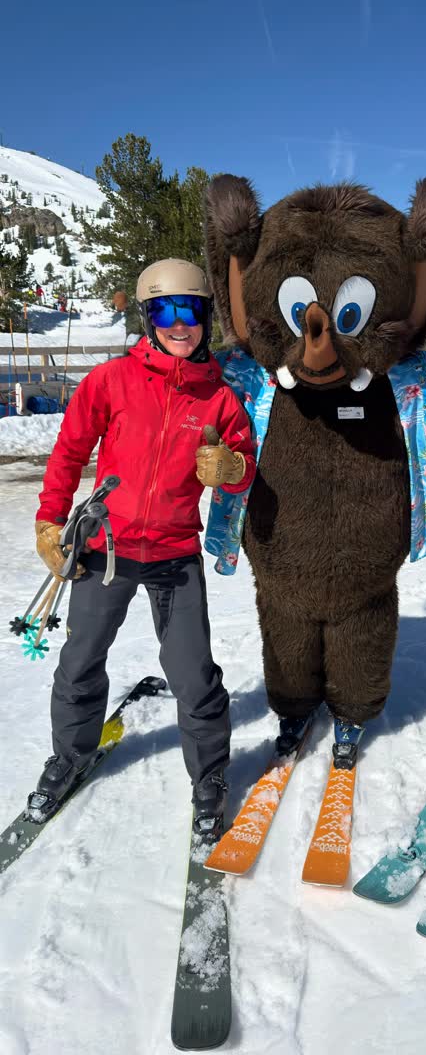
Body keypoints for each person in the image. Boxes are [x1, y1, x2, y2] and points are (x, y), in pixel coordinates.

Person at [31, 259, 256, 833]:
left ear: (205, 316)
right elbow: (68, 453)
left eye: (190, 310)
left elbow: (245, 467)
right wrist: (50, 521)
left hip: (175, 555)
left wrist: (230, 467)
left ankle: (208, 777)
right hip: (105, 549)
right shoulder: (111, 380)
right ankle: (70, 756)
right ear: (147, 316)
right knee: (80, 662)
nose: (179, 324)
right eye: (164, 310)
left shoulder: (221, 400)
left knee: (193, 673)